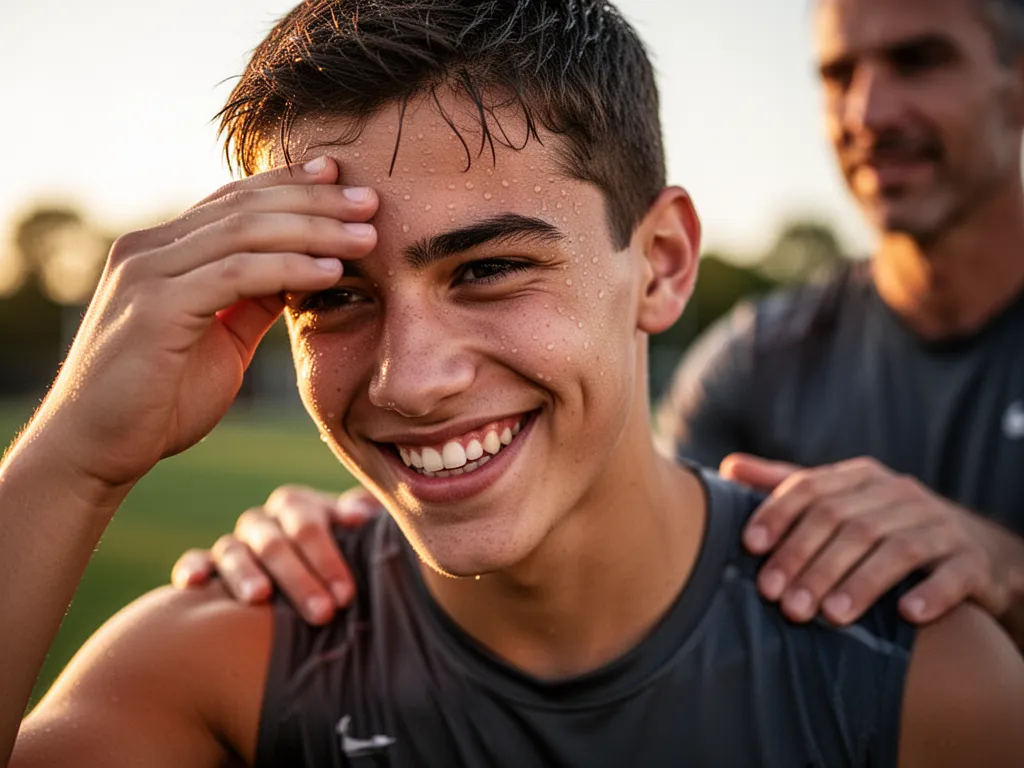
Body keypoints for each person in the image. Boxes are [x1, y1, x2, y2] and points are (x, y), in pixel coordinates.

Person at [4, 1, 1023, 766]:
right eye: (336, 297)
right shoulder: (219, 667)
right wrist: (74, 460)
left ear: (661, 263)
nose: (412, 381)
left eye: (488, 268)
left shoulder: (920, 677)